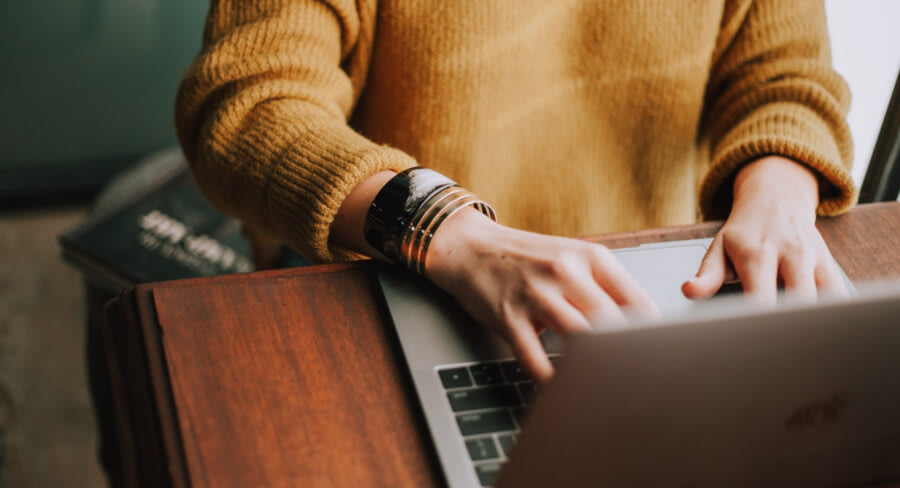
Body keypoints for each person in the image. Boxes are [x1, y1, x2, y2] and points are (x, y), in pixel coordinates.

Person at [175, 0, 855, 382]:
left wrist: (780, 190)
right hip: (387, 277)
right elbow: (248, 105)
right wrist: (449, 230)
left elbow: (785, 71)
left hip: (643, 295)